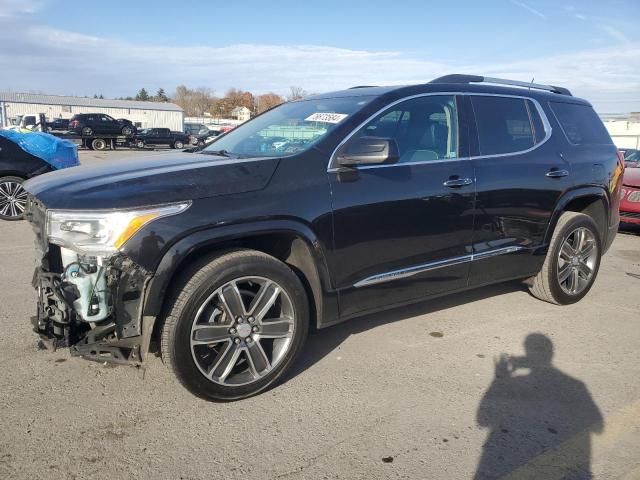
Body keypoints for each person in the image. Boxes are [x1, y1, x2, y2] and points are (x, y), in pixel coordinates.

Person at [475, 333, 603, 479]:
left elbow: (483, 420)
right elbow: (598, 427)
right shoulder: (577, 386)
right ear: (551, 353)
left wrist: (499, 379)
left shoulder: (517, 384)